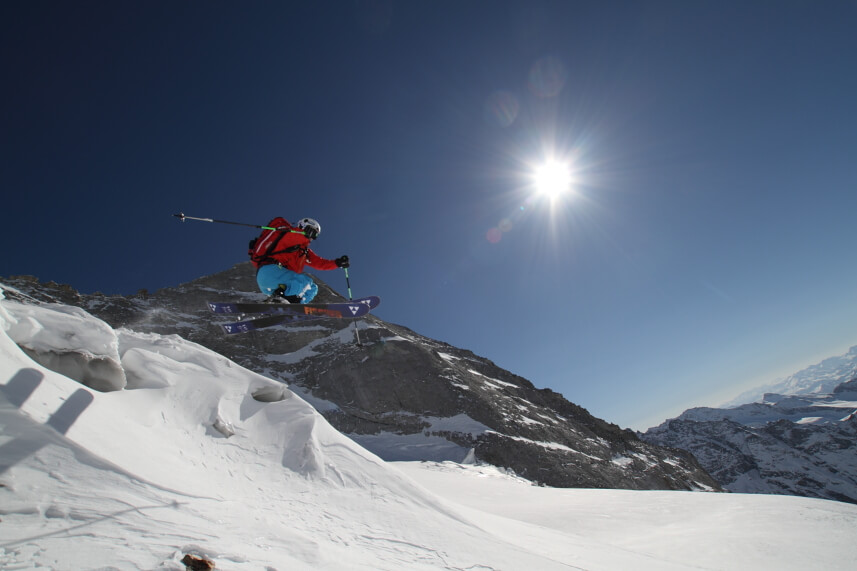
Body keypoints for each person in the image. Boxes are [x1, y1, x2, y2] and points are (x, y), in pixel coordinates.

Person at [251, 217, 349, 303]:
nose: (312, 237)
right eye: (311, 231)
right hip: (270, 271)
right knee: (304, 281)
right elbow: (295, 237)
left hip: (277, 282)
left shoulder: (304, 251)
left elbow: (319, 263)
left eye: (315, 235)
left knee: (312, 288)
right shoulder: (289, 235)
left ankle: (294, 305)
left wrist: (337, 263)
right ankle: (283, 299)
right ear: (303, 227)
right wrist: (303, 233)